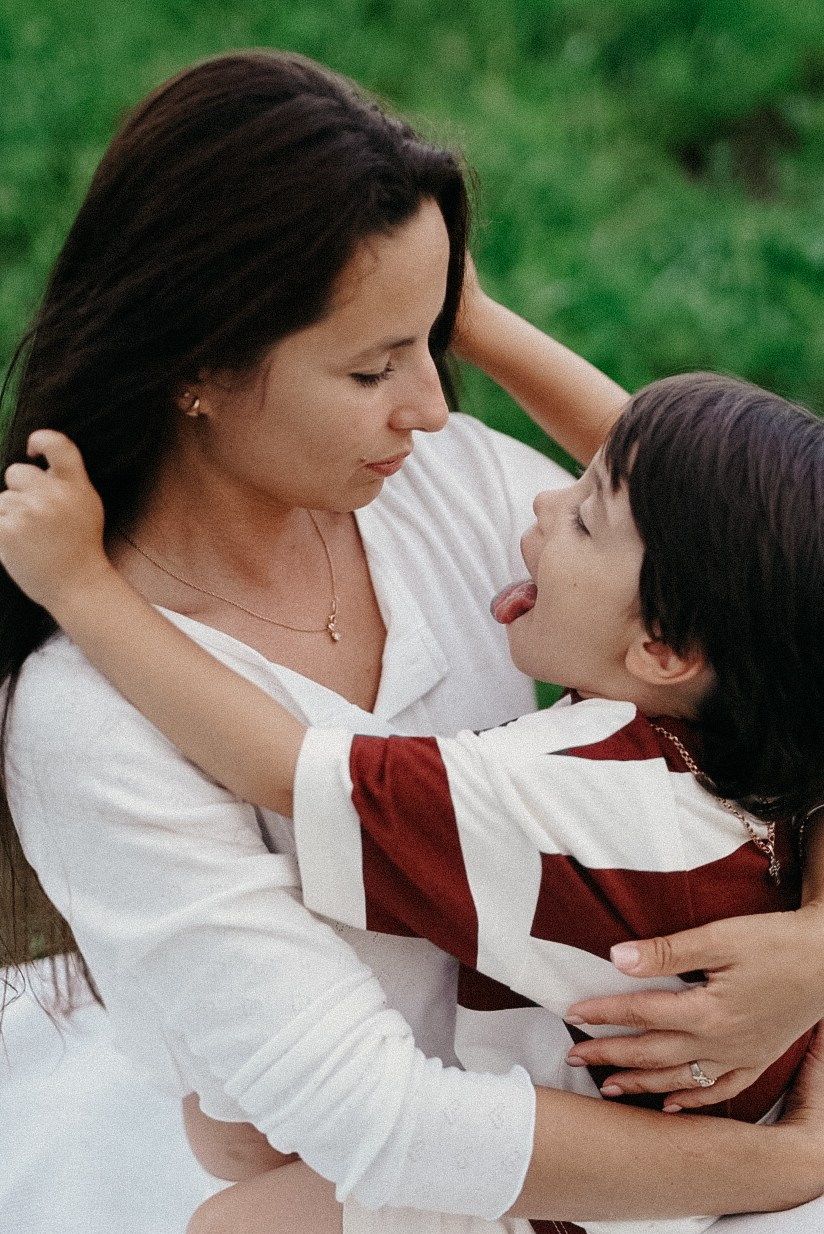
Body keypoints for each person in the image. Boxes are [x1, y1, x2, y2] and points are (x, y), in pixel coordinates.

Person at [2, 47, 824, 1234]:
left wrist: (813, 945)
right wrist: (788, 1161)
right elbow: (383, 1121)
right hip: (560, 1156)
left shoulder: (433, 486)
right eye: (372, 366)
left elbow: (767, 611)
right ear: (200, 365)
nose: (434, 406)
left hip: (630, 1122)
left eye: (432, 341)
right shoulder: (87, 716)